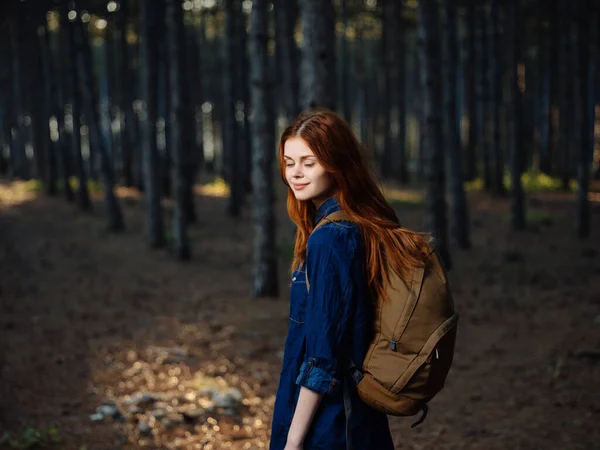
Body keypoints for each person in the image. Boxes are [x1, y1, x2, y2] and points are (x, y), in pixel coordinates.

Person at [269, 110, 430, 450]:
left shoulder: (330, 239)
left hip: (330, 421)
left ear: (336, 164)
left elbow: (323, 357)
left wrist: (293, 442)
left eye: (309, 162)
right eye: (288, 162)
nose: (295, 173)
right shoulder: (357, 225)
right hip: (357, 413)